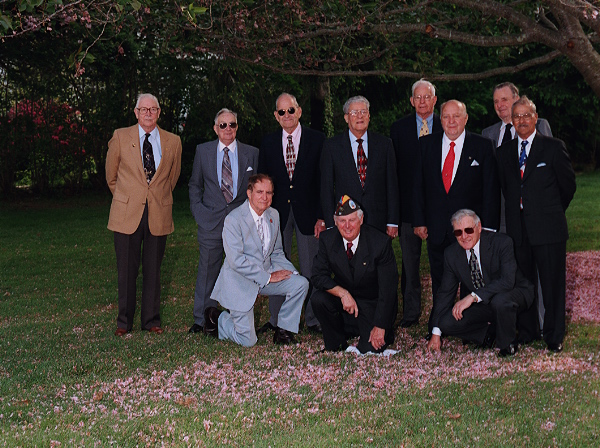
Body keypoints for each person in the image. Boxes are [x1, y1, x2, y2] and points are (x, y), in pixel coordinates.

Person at [496, 96, 576, 353]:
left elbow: (568, 186)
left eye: (526, 115)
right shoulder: (504, 152)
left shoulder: (553, 147)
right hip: (518, 231)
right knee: (524, 284)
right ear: (512, 120)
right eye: (516, 116)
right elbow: (506, 189)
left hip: (549, 229)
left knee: (552, 284)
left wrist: (550, 211)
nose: (521, 120)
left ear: (535, 117)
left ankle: (554, 335)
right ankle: (528, 331)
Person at [413, 99, 500, 334]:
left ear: (465, 118)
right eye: (446, 116)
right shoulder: (426, 145)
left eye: (456, 116)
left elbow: (490, 190)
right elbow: (418, 186)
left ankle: (471, 328)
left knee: (473, 278)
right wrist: (419, 221)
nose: (451, 121)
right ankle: (438, 325)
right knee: (440, 279)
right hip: (437, 227)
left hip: (470, 231)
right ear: (440, 120)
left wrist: (488, 228)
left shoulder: (483, 146)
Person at [106, 93, 182, 336]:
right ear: (136, 112)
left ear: (159, 112)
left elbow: (172, 178)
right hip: (126, 214)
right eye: (143, 109)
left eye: (153, 109)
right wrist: (128, 198)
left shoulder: (173, 141)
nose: (148, 113)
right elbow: (111, 176)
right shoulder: (121, 136)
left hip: (158, 212)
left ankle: (151, 320)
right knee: (126, 271)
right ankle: (123, 322)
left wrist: (155, 197)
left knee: (153, 270)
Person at [205, 174, 309, 347]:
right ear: (249, 193)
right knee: (248, 341)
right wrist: (268, 277)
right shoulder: (233, 219)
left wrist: (291, 272)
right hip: (240, 282)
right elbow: (236, 261)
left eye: (269, 193)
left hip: (265, 277)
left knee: (300, 284)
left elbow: (276, 252)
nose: (264, 197)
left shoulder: (274, 215)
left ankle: (283, 331)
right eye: (260, 192)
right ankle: (217, 318)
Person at [257, 93, 326, 334]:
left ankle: (314, 318)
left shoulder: (317, 140)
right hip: (276, 216)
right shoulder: (268, 143)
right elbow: (262, 182)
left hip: (309, 215)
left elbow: (324, 181)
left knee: (311, 267)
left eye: (291, 110)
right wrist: (262, 215)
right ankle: (277, 320)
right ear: (276, 116)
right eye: (281, 112)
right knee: (276, 267)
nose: (287, 115)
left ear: (299, 111)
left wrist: (322, 216)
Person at [188, 109, 259, 334]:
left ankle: (238, 317)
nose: (228, 129)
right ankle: (202, 319)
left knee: (240, 271)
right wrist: (199, 213)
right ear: (215, 128)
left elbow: (256, 189)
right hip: (210, 222)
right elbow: (195, 185)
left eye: (232, 124)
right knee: (207, 270)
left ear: (237, 127)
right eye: (223, 125)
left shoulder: (251, 153)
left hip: (240, 224)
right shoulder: (203, 151)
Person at [427, 209, 534, 357]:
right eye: (458, 232)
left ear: (479, 227)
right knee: (446, 322)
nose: (464, 236)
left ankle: (507, 345)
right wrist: (436, 333)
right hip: (484, 302)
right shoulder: (451, 254)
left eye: (468, 230)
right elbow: (445, 292)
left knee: (499, 300)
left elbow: (507, 281)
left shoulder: (502, 243)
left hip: (514, 292)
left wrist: (472, 297)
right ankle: (488, 334)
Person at [311, 195, 399, 353]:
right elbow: (318, 275)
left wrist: (380, 325)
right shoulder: (328, 239)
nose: (347, 226)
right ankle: (336, 343)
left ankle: (376, 330)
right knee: (319, 299)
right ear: (335, 222)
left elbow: (388, 289)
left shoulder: (379, 242)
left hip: (372, 306)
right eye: (342, 221)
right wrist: (342, 293)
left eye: (351, 220)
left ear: (361, 219)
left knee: (370, 350)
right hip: (345, 304)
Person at [390, 79, 442, 328]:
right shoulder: (398, 129)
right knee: (410, 266)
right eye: (418, 97)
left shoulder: (446, 125)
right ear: (411, 101)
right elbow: (394, 172)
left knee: (440, 264)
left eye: (427, 96)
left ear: (435, 100)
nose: (422, 101)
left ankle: (441, 313)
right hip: (408, 209)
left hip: (439, 209)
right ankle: (411, 313)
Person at [320, 95, 399, 237]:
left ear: (369, 116)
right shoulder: (332, 147)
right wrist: (331, 224)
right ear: (346, 118)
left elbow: (392, 185)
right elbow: (326, 189)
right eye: (354, 113)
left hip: (377, 222)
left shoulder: (384, 145)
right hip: (345, 221)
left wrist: (392, 221)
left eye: (363, 112)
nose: (359, 116)